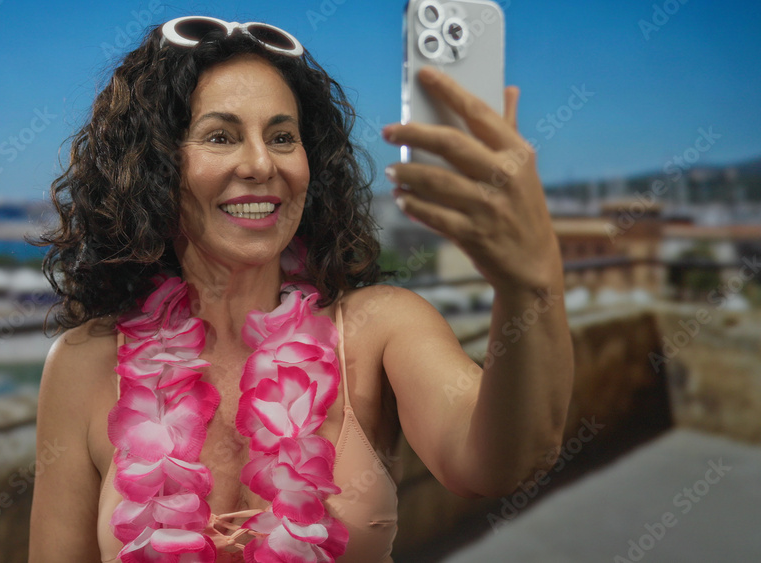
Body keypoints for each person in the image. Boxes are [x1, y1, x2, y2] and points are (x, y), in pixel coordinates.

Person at [28, 15, 574, 563]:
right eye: (221, 136)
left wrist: (530, 282)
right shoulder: (84, 364)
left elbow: (500, 465)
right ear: (152, 165)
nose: (262, 164)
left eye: (283, 137)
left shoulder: (380, 328)